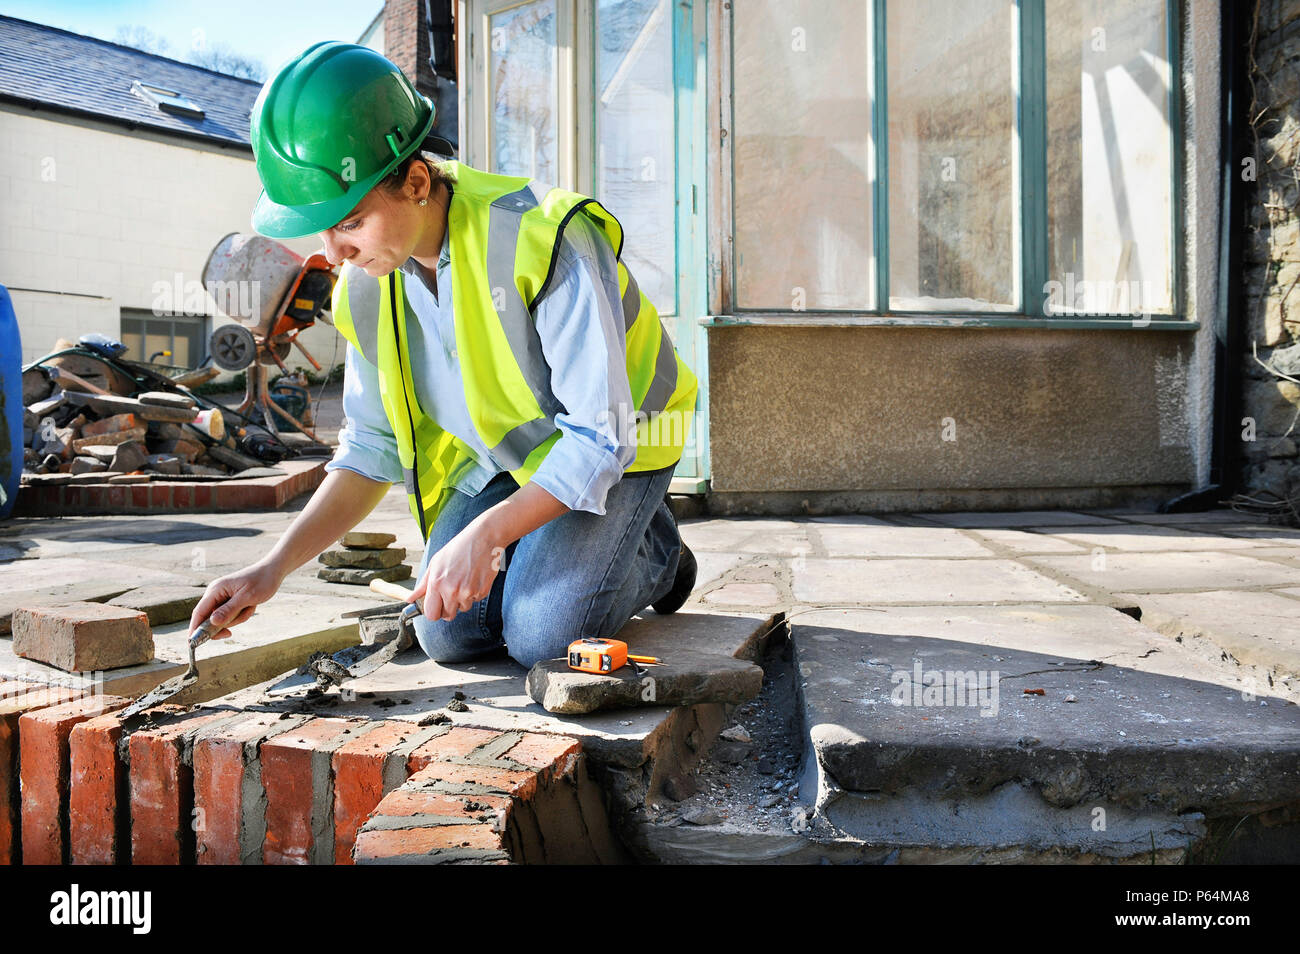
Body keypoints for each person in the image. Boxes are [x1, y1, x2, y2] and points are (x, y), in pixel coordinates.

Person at [188, 41, 699, 670]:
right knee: (447, 633)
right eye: (321, 230)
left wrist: (486, 535)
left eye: (349, 221)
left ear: (418, 181)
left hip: (622, 445)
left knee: (541, 636)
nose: (334, 251)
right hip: (510, 463)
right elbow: (369, 447)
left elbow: (601, 437)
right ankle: (561, 544)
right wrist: (270, 570)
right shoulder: (367, 288)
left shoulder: (543, 236)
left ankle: (656, 554)